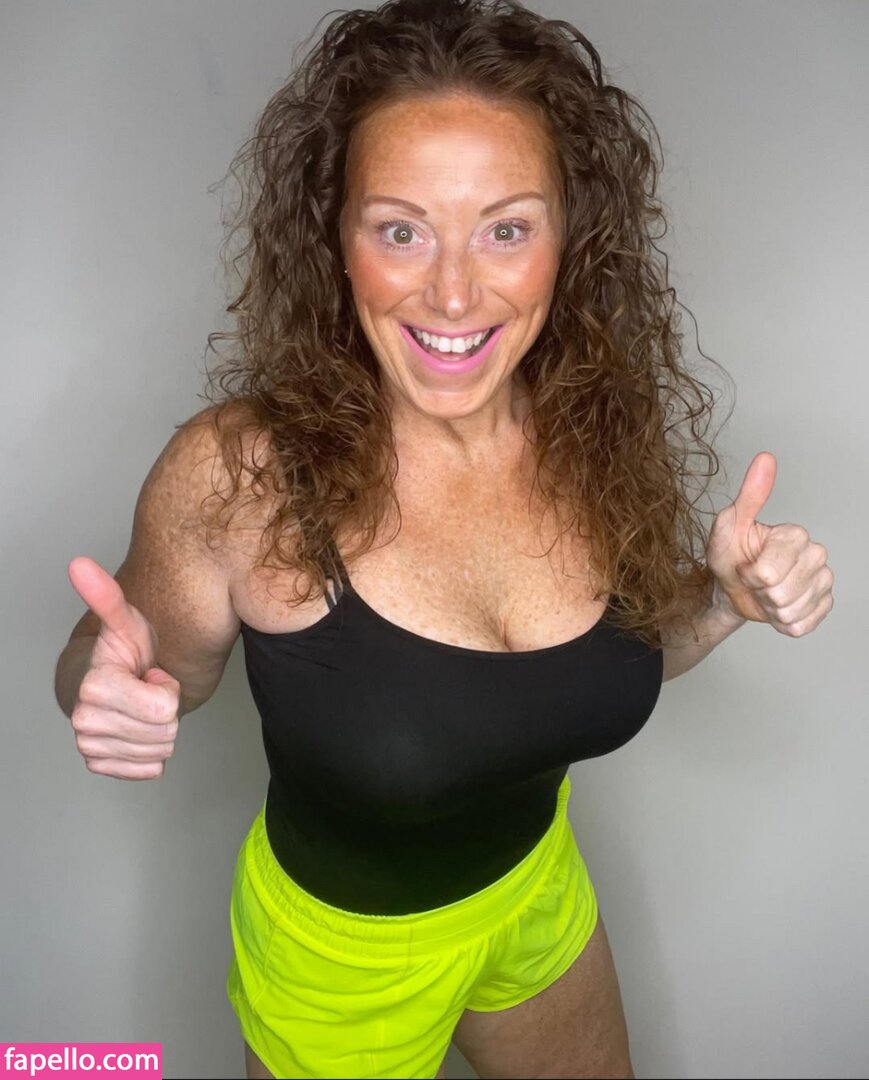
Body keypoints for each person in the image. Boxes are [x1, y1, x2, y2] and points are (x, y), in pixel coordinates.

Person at [53, 1, 834, 1077]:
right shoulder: (241, 477)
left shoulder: (586, 427)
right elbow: (135, 671)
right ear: (336, 240)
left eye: (506, 229)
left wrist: (722, 602)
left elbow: (595, 661)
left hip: (535, 893)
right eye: (400, 230)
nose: (454, 292)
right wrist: (102, 690)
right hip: (343, 962)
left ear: (569, 238)